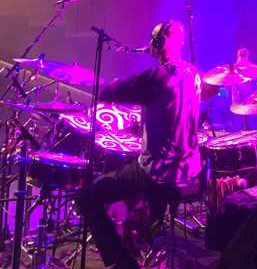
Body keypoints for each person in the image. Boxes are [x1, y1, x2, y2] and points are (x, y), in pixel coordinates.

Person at [76, 20, 201, 269]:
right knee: (131, 172)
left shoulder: (156, 77)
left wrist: (93, 80)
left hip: (160, 171)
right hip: (190, 168)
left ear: (159, 42)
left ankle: (121, 263)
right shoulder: (194, 73)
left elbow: (108, 92)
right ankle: (146, 231)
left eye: (154, 39)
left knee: (87, 196)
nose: (150, 43)